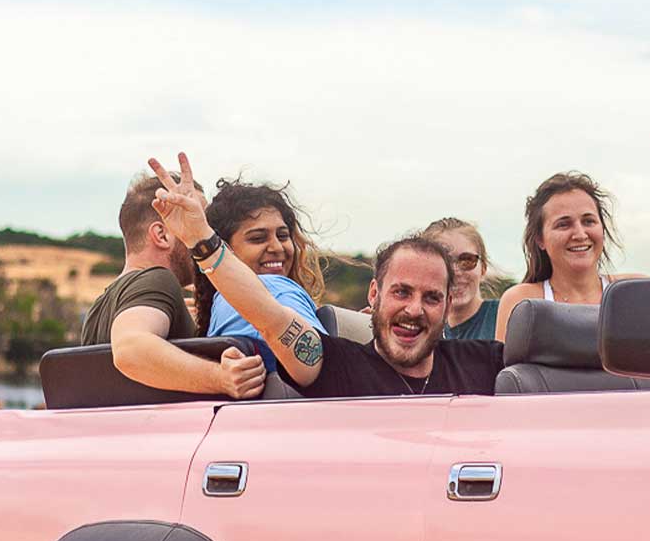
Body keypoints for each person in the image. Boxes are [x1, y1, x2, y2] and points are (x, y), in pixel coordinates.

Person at [145, 155, 502, 398]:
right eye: (401, 292)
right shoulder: (339, 365)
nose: (414, 309)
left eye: (431, 297)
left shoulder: (483, 362)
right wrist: (200, 240)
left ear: (446, 306)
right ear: (374, 295)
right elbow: (268, 316)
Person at [80, 173, 264, 400]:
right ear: (162, 235)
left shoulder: (100, 307)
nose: (205, 235)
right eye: (194, 223)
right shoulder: (159, 279)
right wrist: (221, 377)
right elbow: (130, 350)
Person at [195, 178, 327, 382]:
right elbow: (328, 366)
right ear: (226, 251)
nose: (277, 247)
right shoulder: (273, 286)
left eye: (283, 236)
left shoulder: (221, 303)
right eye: (258, 238)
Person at [494, 172, 625, 341]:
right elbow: (503, 366)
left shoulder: (631, 291)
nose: (580, 234)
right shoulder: (521, 301)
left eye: (588, 221)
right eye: (563, 224)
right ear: (540, 239)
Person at [424, 216, 501, 343]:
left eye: (467, 260)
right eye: (445, 262)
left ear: (483, 268)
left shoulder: (506, 317)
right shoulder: (423, 330)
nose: (456, 271)